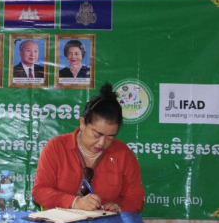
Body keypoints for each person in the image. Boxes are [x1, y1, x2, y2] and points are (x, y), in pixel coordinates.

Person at [32, 82, 144, 213]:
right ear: (82, 123)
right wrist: (74, 202)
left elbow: (136, 198)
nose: (102, 143)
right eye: (97, 134)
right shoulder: (56, 147)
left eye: (110, 137)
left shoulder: (123, 154)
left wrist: (119, 207)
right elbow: (39, 191)